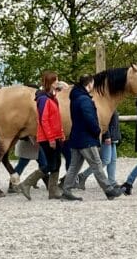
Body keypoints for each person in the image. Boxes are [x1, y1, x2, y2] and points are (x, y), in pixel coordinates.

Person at [61, 75, 124, 201]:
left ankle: (66, 190)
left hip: (76, 137)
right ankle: (109, 190)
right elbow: (90, 118)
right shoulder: (85, 100)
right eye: (93, 84)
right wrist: (97, 130)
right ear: (89, 84)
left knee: (74, 166)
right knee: (97, 164)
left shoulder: (75, 98)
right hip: (86, 138)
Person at [18, 71, 66, 200]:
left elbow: (56, 118)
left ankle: (53, 191)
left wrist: (60, 133)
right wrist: (51, 138)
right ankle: (27, 183)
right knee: (50, 165)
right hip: (47, 137)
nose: (58, 82)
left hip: (55, 135)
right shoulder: (43, 99)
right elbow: (44, 120)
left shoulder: (52, 97)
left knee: (57, 162)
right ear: (50, 83)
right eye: (56, 80)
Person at [76, 110, 121, 189]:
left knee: (113, 160)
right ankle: (83, 175)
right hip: (106, 137)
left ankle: (112, 182)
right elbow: (103, 121)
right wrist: (107, 135)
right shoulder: (104, 106)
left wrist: (116, 137)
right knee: (105, 160)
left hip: (113, 137)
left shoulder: (113, 105)